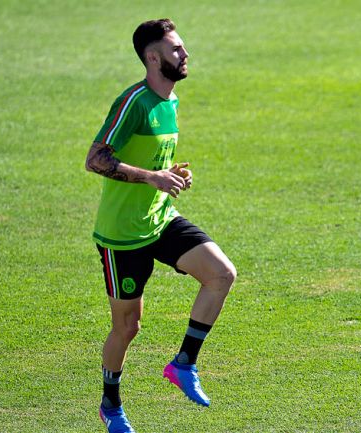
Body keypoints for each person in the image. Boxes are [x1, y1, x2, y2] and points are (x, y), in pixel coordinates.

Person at [86, 19, 236, 433]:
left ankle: (184, 364)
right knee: (127, 327)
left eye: (182, 48)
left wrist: (168, 174)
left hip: (159, 218)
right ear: (153, 58)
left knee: (221, 274)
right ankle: (111, 405)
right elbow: (96, 158)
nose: (185, 55)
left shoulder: (171, 101)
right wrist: (152, 177)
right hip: (121, 235)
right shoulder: (134, 101)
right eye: (176, 50)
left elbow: (151, 162)